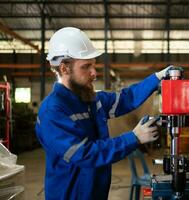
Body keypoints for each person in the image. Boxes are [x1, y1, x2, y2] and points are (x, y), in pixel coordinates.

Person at [35, 27, 170, 200]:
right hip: (70, 195)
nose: (94, 73)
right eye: (86, 66)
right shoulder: (53, 112)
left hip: (96, 192)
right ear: (64, 68)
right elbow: (85, 154)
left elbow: (126, 98)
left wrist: (157, 78)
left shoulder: (91, 99)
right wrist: (134, 138)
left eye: (93, 64)